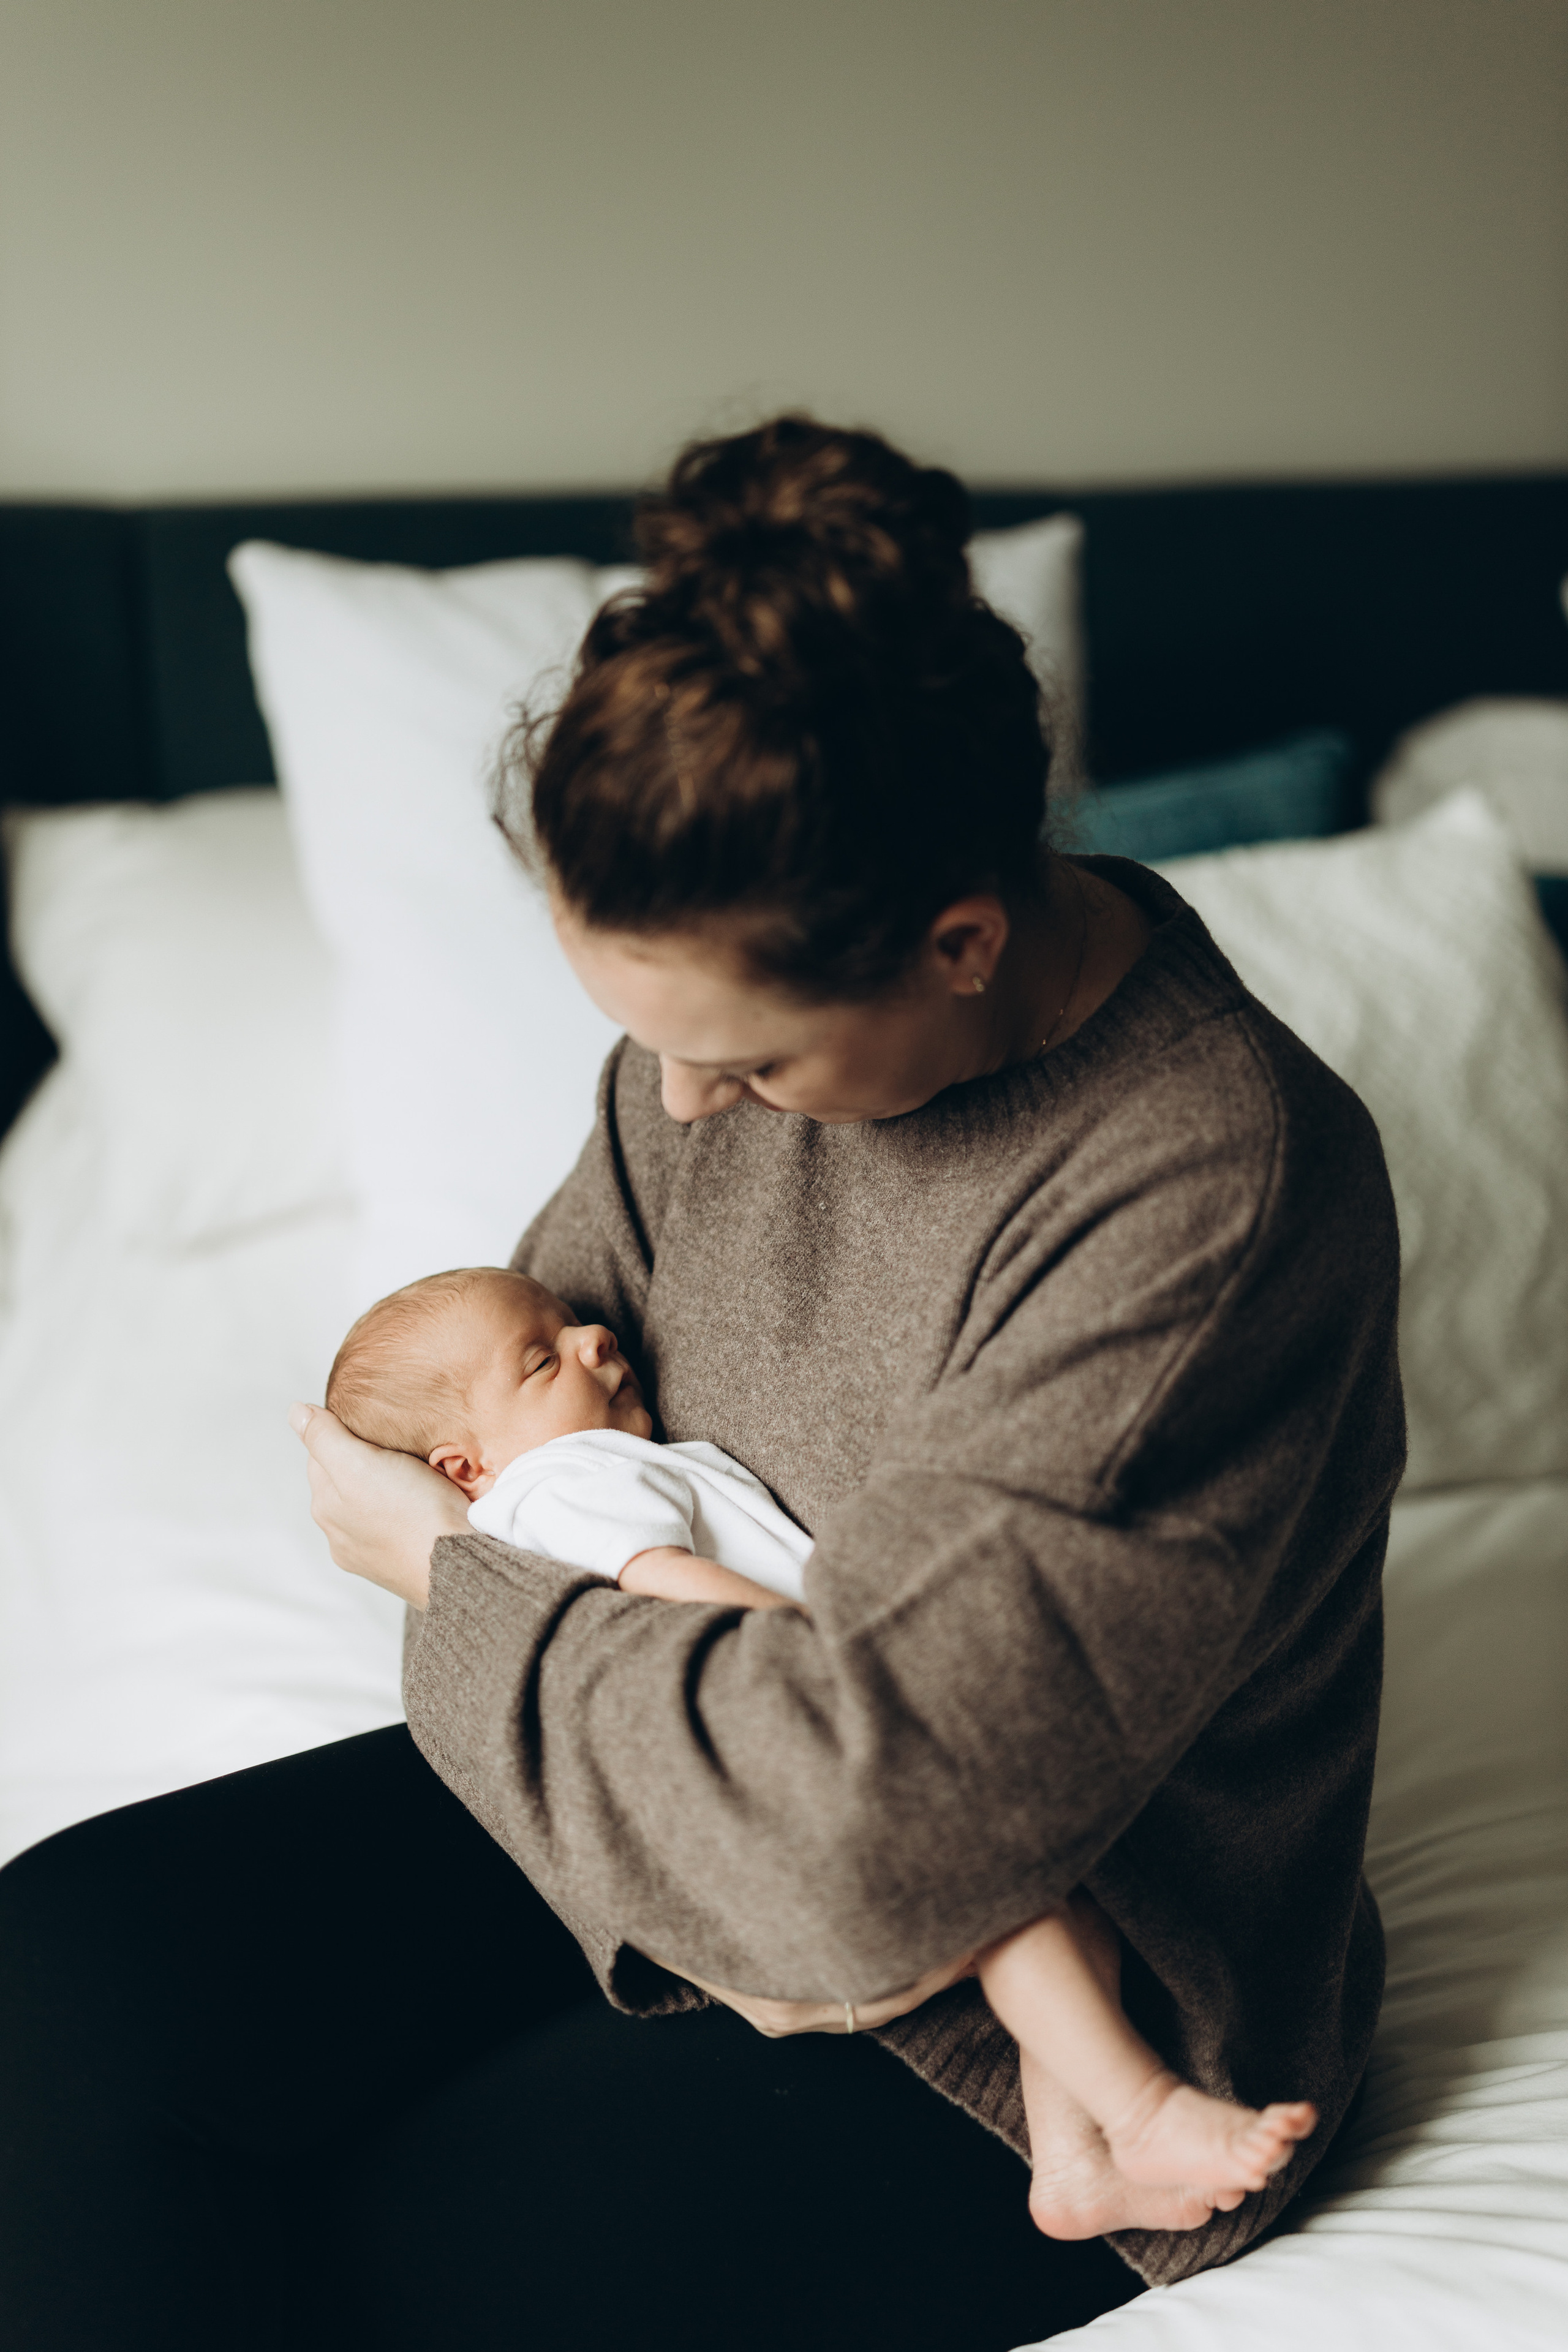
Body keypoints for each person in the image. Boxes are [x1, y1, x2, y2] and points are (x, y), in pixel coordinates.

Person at [0, 414, 1403, 2352]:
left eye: (744, 1065)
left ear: (962, 940)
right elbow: (520, 1452)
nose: (678, 1113)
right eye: (640, 1042)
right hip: (682, 1783)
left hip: (1044, 2007)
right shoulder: (705, 1048)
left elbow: (859, 1831)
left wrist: (443, 1584)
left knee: (370, 2265)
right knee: (55, 1974)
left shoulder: (1198, 1194)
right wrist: (497, 1579)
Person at [326, 1259, 1319, 2211]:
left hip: (747, 1776)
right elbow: (658, 1581)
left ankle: (1075, 2168)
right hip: (783, 1733)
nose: (591, 1334)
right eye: (541, 1359)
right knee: (1023, 1900)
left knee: (1046, 1909)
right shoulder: (559, 1479)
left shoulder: (548, 1488)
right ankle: (1139, 2113)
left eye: (566, 1322)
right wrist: (811, 1645)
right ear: (466, 1466)